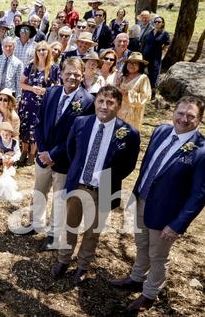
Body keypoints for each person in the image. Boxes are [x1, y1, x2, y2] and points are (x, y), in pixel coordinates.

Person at [109, 96, 205, 314]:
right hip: (142, 200)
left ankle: (149, 294)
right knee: (141, 245)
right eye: (180, 113)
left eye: (191, 116)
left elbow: (199, 195)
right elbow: (148, 164)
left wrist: (177, 225)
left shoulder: (201, 151)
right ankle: (136, 278)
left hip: (166, 215)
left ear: (199, 120)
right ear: (173, 112)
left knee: (158, 256)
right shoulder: (161, 131)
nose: (183, 119)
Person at [51, 86, 140, 285]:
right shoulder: (81, 122)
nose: (104, 106)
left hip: (104, 190)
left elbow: (128, 165)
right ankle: (63, 260)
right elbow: (72, 151)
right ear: (95, 102)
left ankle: (83, 265)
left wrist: (107, 179)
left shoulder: (129, 133)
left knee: (93, 231)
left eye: (110, 103)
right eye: (100, 101)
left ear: (118, 106)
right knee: (70, 226)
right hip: (78, 185)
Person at [29, 57, 95, 251]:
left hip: (64, 160)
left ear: (82, 75)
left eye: (76, 74)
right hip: (43, 156)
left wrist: (53, 154)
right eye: (68, 73)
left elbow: (79, 137)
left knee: (59, 198)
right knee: (39, 191)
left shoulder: (88, 101)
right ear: (61, 74)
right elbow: (39, 123)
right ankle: (35, 224)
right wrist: (42, 151)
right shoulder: (51, 93)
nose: (72, 77)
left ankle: (53, 233)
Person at [17, 41, 61, 165]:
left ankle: (32, 153)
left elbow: (58, 88)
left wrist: (45, 90)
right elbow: (21, 83)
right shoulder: (30, 66)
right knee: (25, 127)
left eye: (44, 50)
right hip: (27, 103)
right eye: (39, 50)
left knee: (36, 128)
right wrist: (32, 88)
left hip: (42, 104)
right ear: (36, 52)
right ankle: (24, 151)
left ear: (48, 52)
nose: (41, 52)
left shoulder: (54, 68)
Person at [115, 52, 152, 131]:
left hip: (133, 114)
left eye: (135, 63)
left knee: (127, 134)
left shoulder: (143, 78)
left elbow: (145, 96)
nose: (132, 65)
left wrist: (128, 94)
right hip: (119, 111)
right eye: (130, 63)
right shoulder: (123, 77)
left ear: (140, 65)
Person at [141, 15, 171, 90]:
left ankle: (152, 91)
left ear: (162, 24)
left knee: (154, 74)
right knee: (143, 72)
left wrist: (162, 56)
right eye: (155, 21)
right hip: (145, 56)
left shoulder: (164, 34)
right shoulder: (148, 33)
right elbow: (144, 44)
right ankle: (143, 89)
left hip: (156, 57)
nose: (157, 23)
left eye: (159, 22)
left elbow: (166, 46)